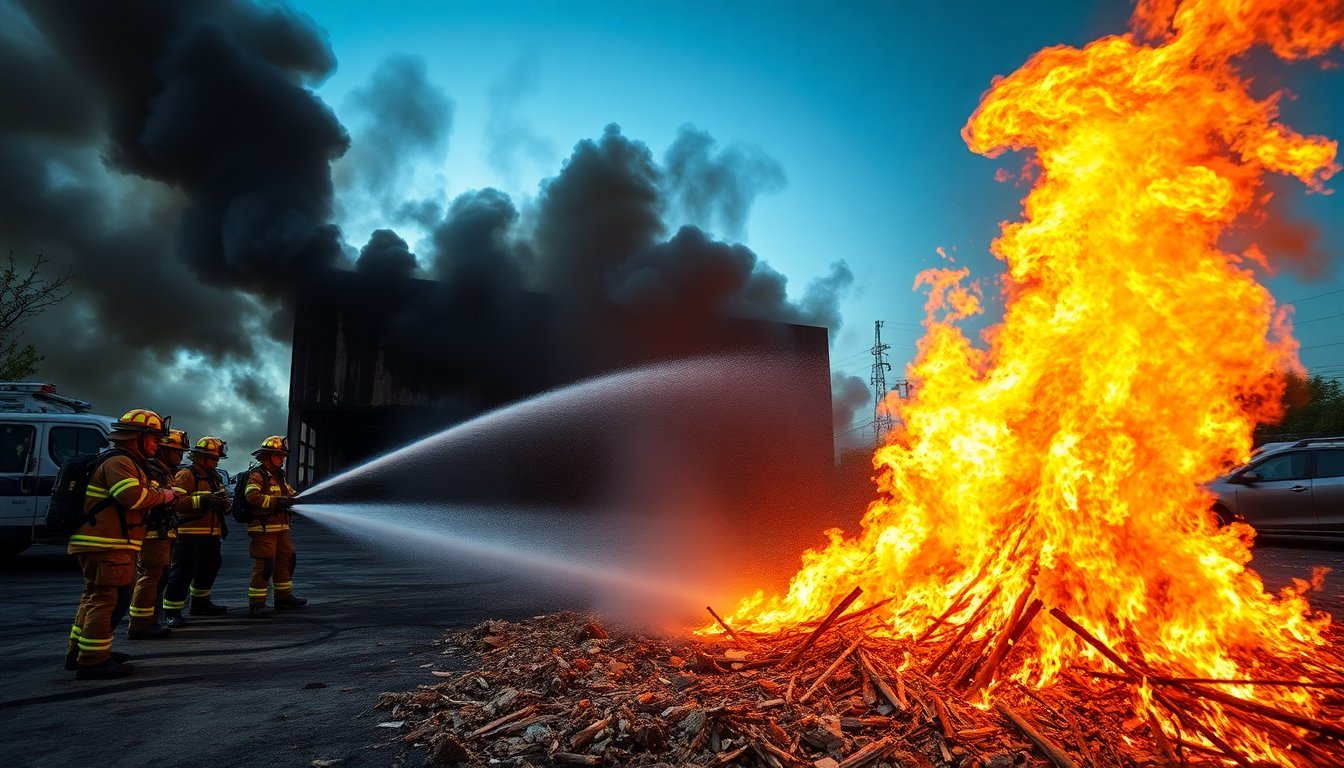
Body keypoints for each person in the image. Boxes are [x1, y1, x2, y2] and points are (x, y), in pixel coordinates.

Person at [64, 409, 176, 679]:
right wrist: (165, 495)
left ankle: (81, 652)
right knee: (107, 599)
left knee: (95, 597)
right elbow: (132, 497)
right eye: (152, 439)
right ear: (137, 437)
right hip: (107, 543)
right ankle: (93, 660)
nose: (156, 444)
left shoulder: (125, 461)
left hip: (107, 542)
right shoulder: (120, 462)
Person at [125, 428, 189, 639]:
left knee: (158, 577)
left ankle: (147, 621)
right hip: (152, 533)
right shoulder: (153, 470)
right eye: (177, 452)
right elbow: (150, 499)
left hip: (161, 533)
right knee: (152, 576)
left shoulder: (163, 470)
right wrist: (171, 495)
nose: (181, 456)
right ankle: (140, 624)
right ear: (163, 450)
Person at [162, 436, 231, 625]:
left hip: (211, 533)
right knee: (182, 572)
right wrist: (203, 500)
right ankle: (171, 611)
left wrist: (224, 504)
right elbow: (176, 503)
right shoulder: (186, 475)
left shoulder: (214, 476)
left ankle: (200, 604)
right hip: (188, 533)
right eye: (213, 458)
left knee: (209, 568)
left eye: (217, 459)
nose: (216, 462)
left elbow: (223, 501)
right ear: (200, 457)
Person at [243, 435, 305, 617]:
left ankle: (283, 597)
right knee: (265, 566)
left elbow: (289, 494)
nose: (282, 459)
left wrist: (301, 498)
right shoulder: (257, 475)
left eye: (283, 455)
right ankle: (257, 603)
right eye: (278, 455)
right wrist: (277, 502)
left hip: (282, 529)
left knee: (287, 560)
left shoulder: (278, 476)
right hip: (263, 530)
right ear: (267, 456)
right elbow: (252, 497)